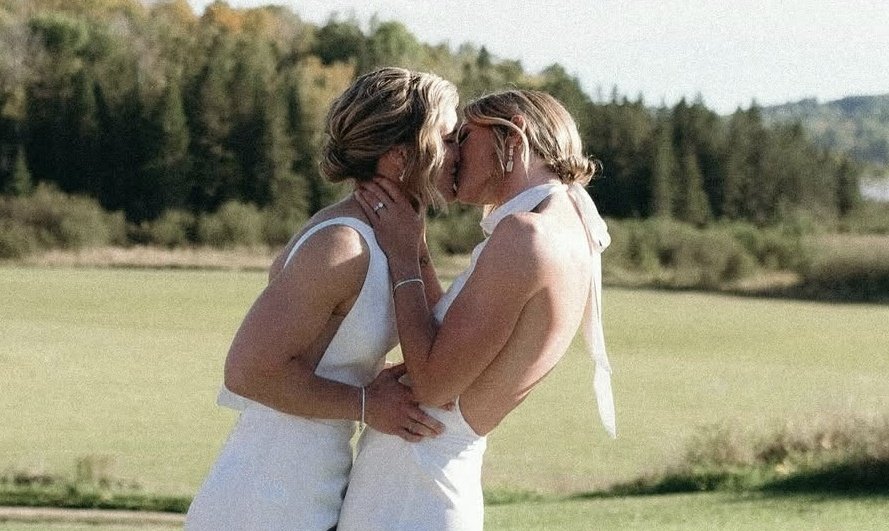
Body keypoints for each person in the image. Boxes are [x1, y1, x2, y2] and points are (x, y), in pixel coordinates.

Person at [184, 67, 461, 531]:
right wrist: (371, 406)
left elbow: (437, 339)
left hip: (313, 487)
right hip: (264, 496)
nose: (460, 153)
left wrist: (414, 246)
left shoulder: (391, 238)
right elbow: (248, 370)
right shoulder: (342, 245)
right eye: (449, 139)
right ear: (399, 158)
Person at [339, 89, 615, 531]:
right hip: (418, 486)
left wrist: (404, 256)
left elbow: (431, 386)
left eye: (464, 135)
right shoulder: (562, 227)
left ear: (514, 135)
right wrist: (415, 245)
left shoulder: (528, 235)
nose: (451, 151)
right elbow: (446, 344)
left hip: (414, 493)